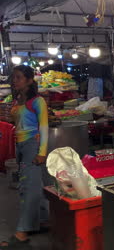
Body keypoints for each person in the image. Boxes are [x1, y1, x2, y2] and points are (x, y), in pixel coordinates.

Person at [1, 65, 49, 249]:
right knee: (32, 184)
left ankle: (21, 233)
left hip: (32, 146)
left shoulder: (38, 101)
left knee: (29, 188)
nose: (15, 81)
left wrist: (42, 152)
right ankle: (43, 221)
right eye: (14, 78)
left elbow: (43, 128)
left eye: (19, 77)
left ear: (29, 80)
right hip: (20, 145)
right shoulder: (17, 100)